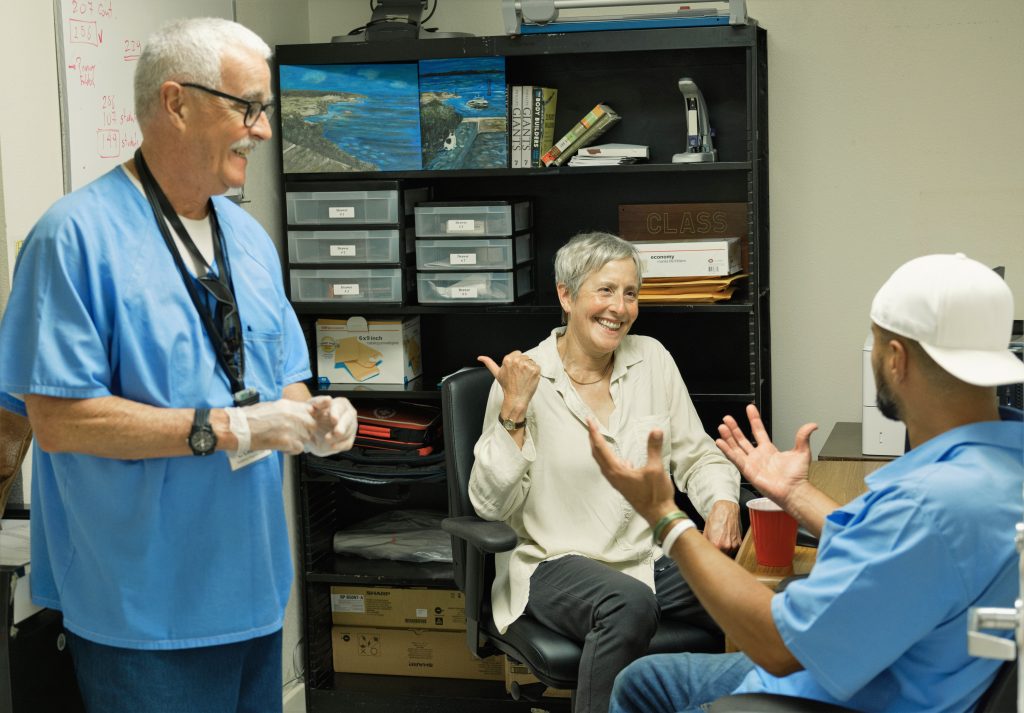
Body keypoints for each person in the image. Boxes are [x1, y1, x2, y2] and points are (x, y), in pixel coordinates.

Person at [0, 18, 357, 713]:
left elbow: (285, 378)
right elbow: (60, 419)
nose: (262, 130)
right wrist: (228, 428)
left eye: (264, 111)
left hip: (253, 591)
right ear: (177, 102)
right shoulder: (73, 239)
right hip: (141, 609)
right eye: (247, 107)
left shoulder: (248, 239)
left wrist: (316, 417)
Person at [589, 252, 1024, 713]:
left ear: (896, 359)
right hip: (886, 658)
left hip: (846, 689)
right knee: (645, 680)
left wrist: (665, 518)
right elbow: (903, 555)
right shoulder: (1001, 461)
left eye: (874, 341)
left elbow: (779, 649)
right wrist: (795, 494)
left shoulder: (930, 504)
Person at [470, 231, 744, 713]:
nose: (620, 307)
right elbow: (489, 504)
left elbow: (698, 456)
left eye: (631, 292)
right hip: (554, 561)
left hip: (647, 555)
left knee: (745, 586)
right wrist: (514, 409)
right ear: (565, 295)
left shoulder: (652, 359)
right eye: (605, 290)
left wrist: (722, 502)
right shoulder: (523, 378)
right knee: (629, 603)